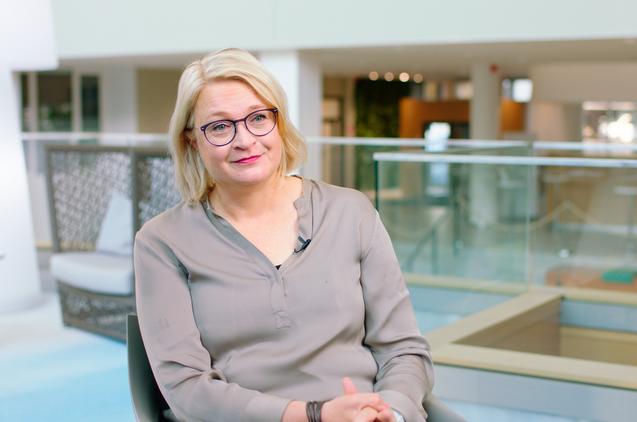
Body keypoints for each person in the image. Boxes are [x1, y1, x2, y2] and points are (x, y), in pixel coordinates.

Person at [134, 48, 434, 422]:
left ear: (279, 123)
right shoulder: (162, 242)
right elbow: (186, 389)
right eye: (220, 126)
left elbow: (403, 350)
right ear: (192, 140)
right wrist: (314, 415)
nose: (245, 140)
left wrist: (392, 413)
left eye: (258, 118)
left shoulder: (350, 212)